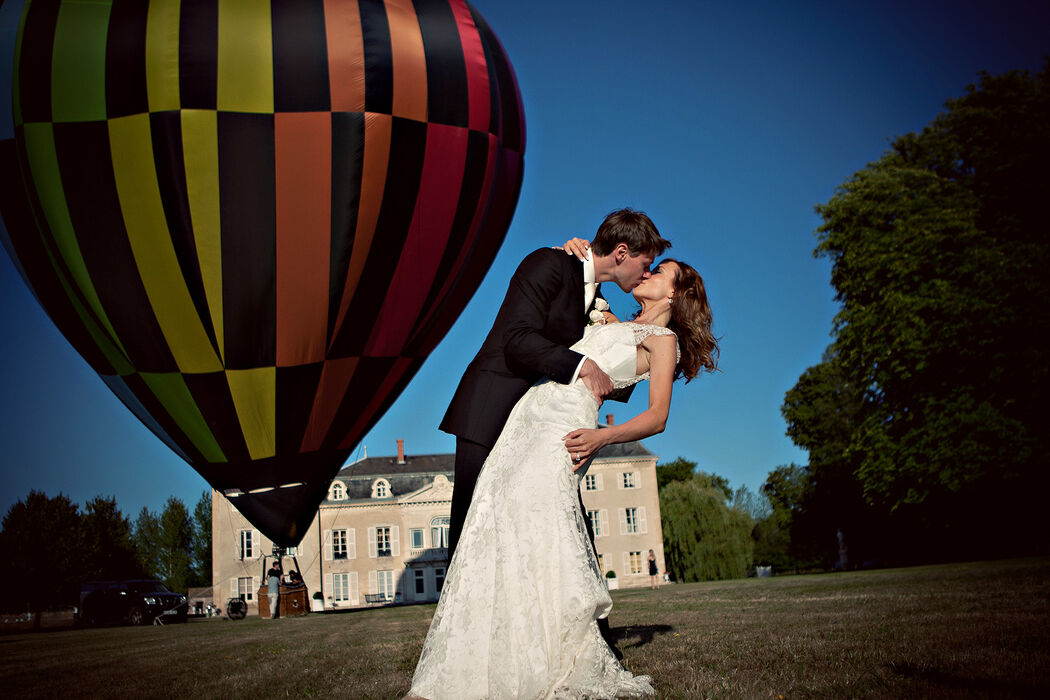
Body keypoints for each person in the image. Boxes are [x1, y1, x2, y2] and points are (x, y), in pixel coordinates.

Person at [407, 258, 719, 699]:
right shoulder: (608, 317)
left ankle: (549, 654)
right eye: (648, 267)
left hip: (566, 428)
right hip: (527, 415)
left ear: (675, 293)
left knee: (545, 523)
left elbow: (657, 417)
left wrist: (600, 438)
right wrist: (576, 254)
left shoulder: (662, 341)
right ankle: (488, 647)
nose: (646, 274)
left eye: (659, 272)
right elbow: (572, 301)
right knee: (496, 517)